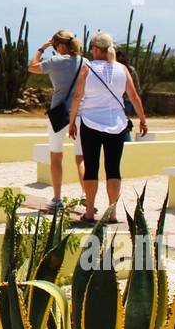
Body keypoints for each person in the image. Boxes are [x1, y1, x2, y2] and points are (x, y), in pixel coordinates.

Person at [68, 31, 147, 224]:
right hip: (117, 125)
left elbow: (77, 97)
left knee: (92, 167)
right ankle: (112, 213)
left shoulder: (87, 69)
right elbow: (134, 97)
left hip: (90, 123)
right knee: (113, 169)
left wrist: (71, 122)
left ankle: (89, 213)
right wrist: (143, 119)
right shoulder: (122, 69)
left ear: (95, 49)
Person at [27, 29, 86, 209]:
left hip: (59, 115)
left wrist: (41, 48)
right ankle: (85, 194)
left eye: (55, 45)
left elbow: (32, 67)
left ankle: (57, 198)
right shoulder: (85, 62)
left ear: (60, 45)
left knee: (56, 156)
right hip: (80, 114)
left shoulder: (55, 61)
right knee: (81, 157)